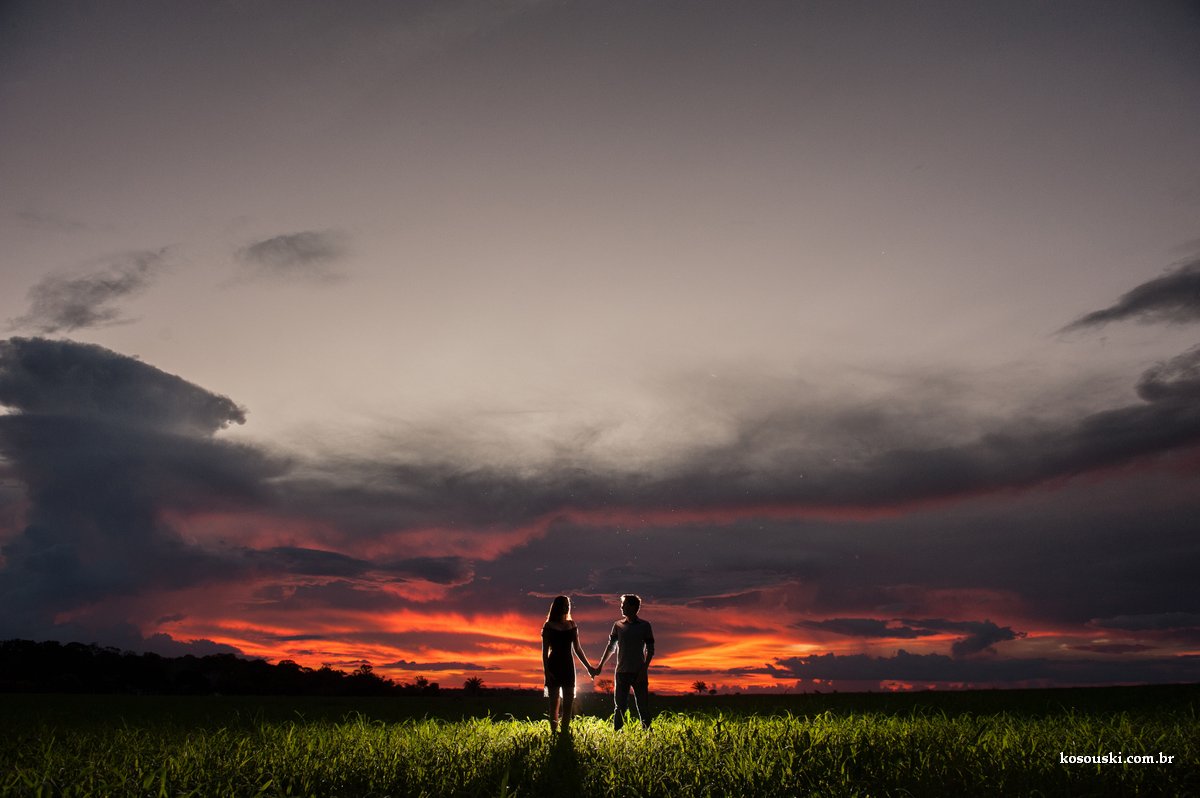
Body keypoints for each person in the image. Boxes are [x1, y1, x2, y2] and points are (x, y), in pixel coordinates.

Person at [595, 593, 654, 730]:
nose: (621, 607)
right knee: (620, 706)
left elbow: (650, 650)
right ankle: (617, 733)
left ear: (633, 607)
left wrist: (644, 670)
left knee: (642, 705)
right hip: (621, 672)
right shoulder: (618, 625)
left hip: (639, 672)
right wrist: (600, 665)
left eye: (624, 605)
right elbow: (611, 647)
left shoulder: (645, 626)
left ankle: (647, 733)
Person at [541, 595, 597, 733]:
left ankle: (564, 732)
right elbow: (544, 653)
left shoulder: (572, 625)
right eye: (564, 604)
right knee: (554, 704)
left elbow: (577, 649)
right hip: (553, 665)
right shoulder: (548, 626)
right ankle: (554, 733)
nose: (567, 607)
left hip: (568, 667)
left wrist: (589, 667)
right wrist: (547, 673)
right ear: (557, 607)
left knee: (568, 704)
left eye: (568, 604)